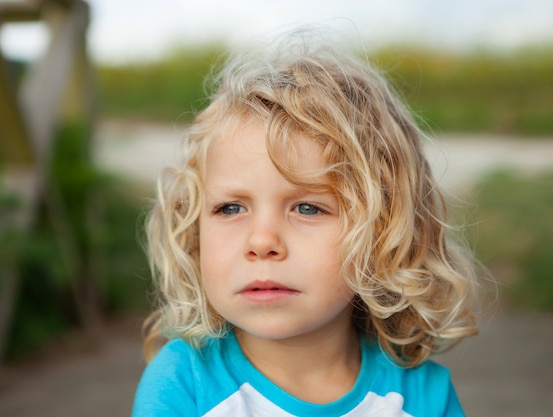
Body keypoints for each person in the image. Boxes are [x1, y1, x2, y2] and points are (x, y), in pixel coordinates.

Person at [132, 28, 479, 417]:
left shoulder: (421, 397)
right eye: (230, 208)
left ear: (383, 229)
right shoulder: (183, 383)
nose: (262, 241)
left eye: (308, 208)